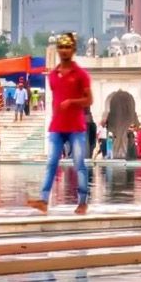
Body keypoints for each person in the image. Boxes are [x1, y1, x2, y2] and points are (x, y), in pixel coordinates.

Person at [28, 33, 93, 214]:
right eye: (61, 47)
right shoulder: (53, 75)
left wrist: (72, 102)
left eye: (67, 47)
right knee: (51, 163)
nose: (64, 51)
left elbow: (89, 100)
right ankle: (43, 200)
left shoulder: (81, 75)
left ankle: (82, 202)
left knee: (79, 164)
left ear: (73, 50)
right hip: (57, 126)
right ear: (57, 50)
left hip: (75, 127)